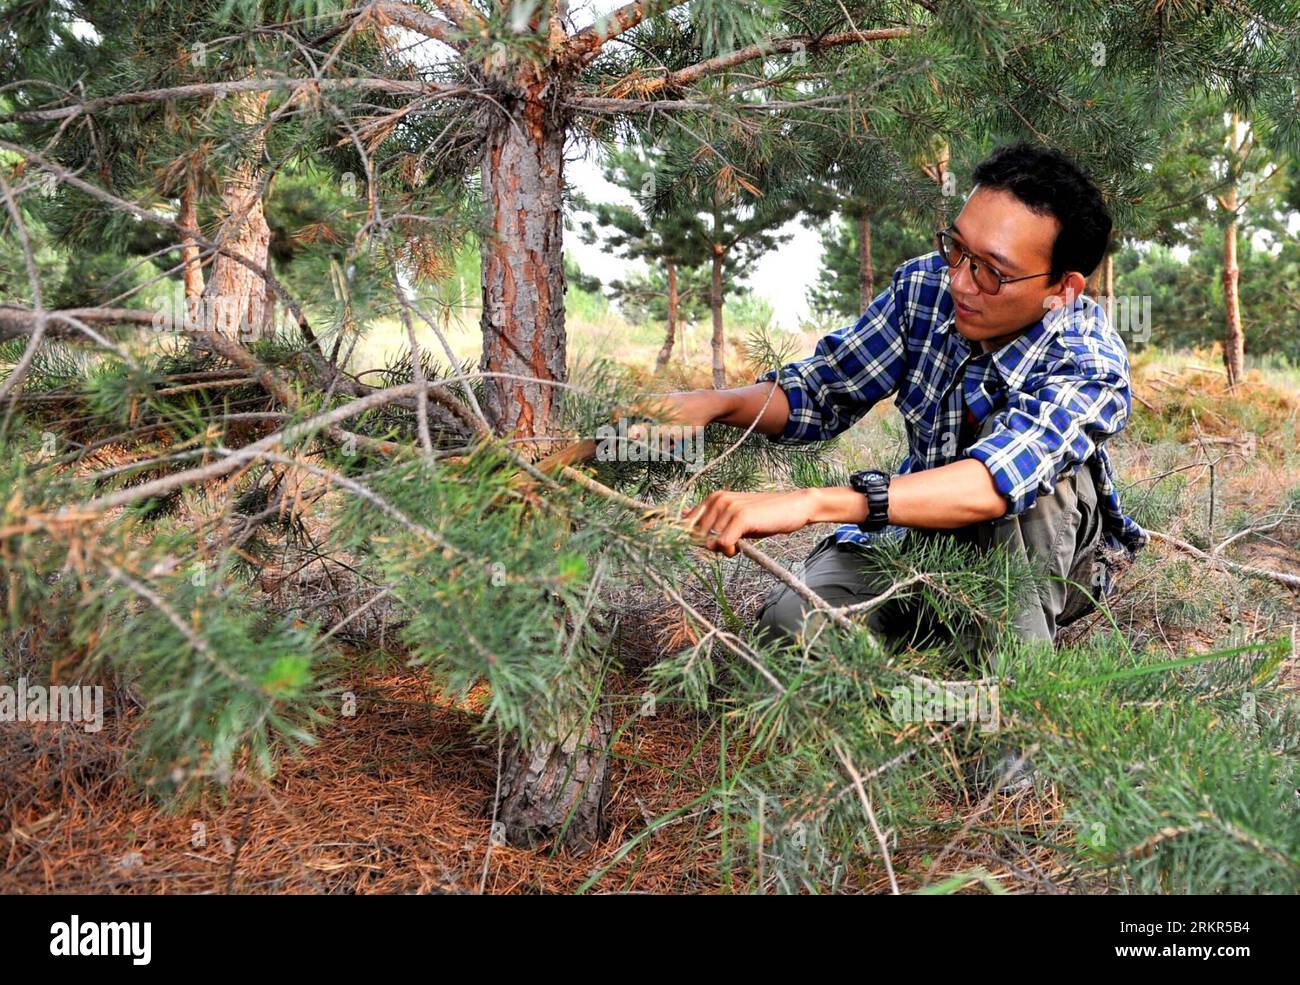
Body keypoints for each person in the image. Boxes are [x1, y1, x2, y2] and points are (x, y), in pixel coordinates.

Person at [627, 141, 1149, 664]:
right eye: (957, 248)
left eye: (991, 271)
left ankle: (1010, 690)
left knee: (1037, 491)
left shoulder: (1088, 361)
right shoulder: (925, 288)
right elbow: (822, 389)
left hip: (1042, 550)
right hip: (915, 529)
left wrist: (812, 503)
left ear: (1063, 288)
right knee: (792, 631)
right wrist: (714, 403)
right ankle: (920, 643)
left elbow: (998, 479)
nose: (959, 281)